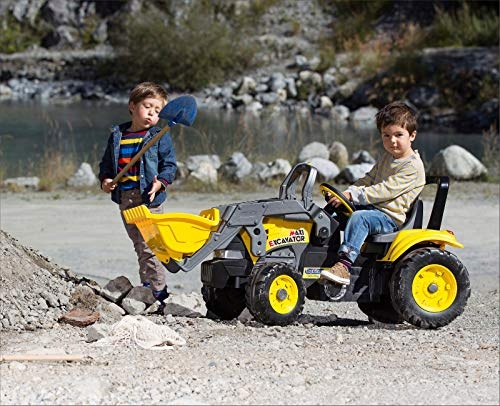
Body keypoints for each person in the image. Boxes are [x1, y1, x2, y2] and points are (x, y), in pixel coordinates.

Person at [320, 101, 426, 286]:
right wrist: (346, 193)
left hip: (389, 218)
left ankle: (344, 266)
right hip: (373, 209)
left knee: (360, 218)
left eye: (398, 135)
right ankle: (322, 257)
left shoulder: (412, 167)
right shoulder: (388, 158)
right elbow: (368, 179)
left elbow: (385, 190)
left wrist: (354, 196)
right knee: (330, 215)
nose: (392, 141)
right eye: (386, 135)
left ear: (412, 135)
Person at [98, 82, 177, 303]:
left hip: (148, 198)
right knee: (139, 245)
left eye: (158, 110)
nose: (152, 113)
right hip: (125, 198)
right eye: (147, 107)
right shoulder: (117, 135)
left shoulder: (158, 135)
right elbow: (106, 165)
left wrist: (160, 183)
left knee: (150, 246)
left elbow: (169, 166)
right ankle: (146, 286)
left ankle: (159, 291)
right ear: (132, 106)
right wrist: (105, 181)